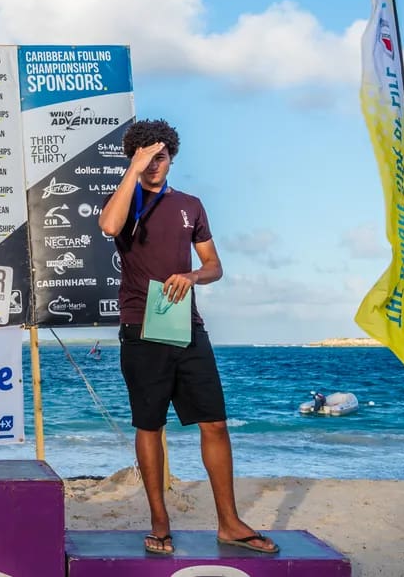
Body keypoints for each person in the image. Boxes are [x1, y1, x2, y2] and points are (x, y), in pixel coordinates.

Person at [98, 119, 278, 556]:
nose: (153, 165)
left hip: (187, 326)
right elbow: (109, 226)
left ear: (172, 158)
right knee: (149, 425)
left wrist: (193, 276)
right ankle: (160, 522)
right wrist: (133, 169)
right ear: (133, 159)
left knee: (214, 422)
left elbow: (214, 265)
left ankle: (229, 523)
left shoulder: (190, 205)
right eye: (145, 157)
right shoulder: (125, 199)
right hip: (141, 327)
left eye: (160, 157)